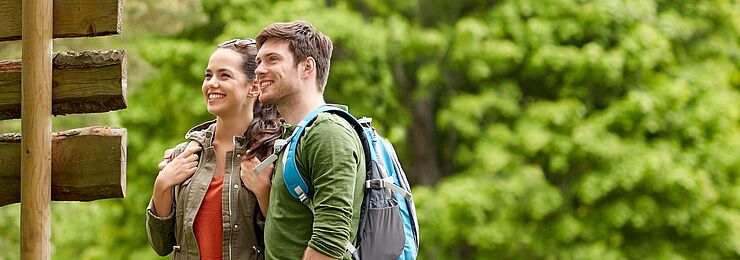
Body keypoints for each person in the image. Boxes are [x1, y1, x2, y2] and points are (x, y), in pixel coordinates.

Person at [146, 38, 282, 260]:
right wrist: (162, 185)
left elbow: (284, 244)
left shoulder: (271, 154)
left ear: (254, 87)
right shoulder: (186, 155)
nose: (211, 84)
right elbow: (161, 245)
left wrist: (263, 192)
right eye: (208, 75)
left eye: (224, 75)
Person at [246, 21, 366, 260]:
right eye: (259, 61)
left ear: (306, 67)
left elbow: (330, 241)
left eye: (272, 59)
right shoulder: (298, 135)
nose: (259, 70)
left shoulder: (328, 133)